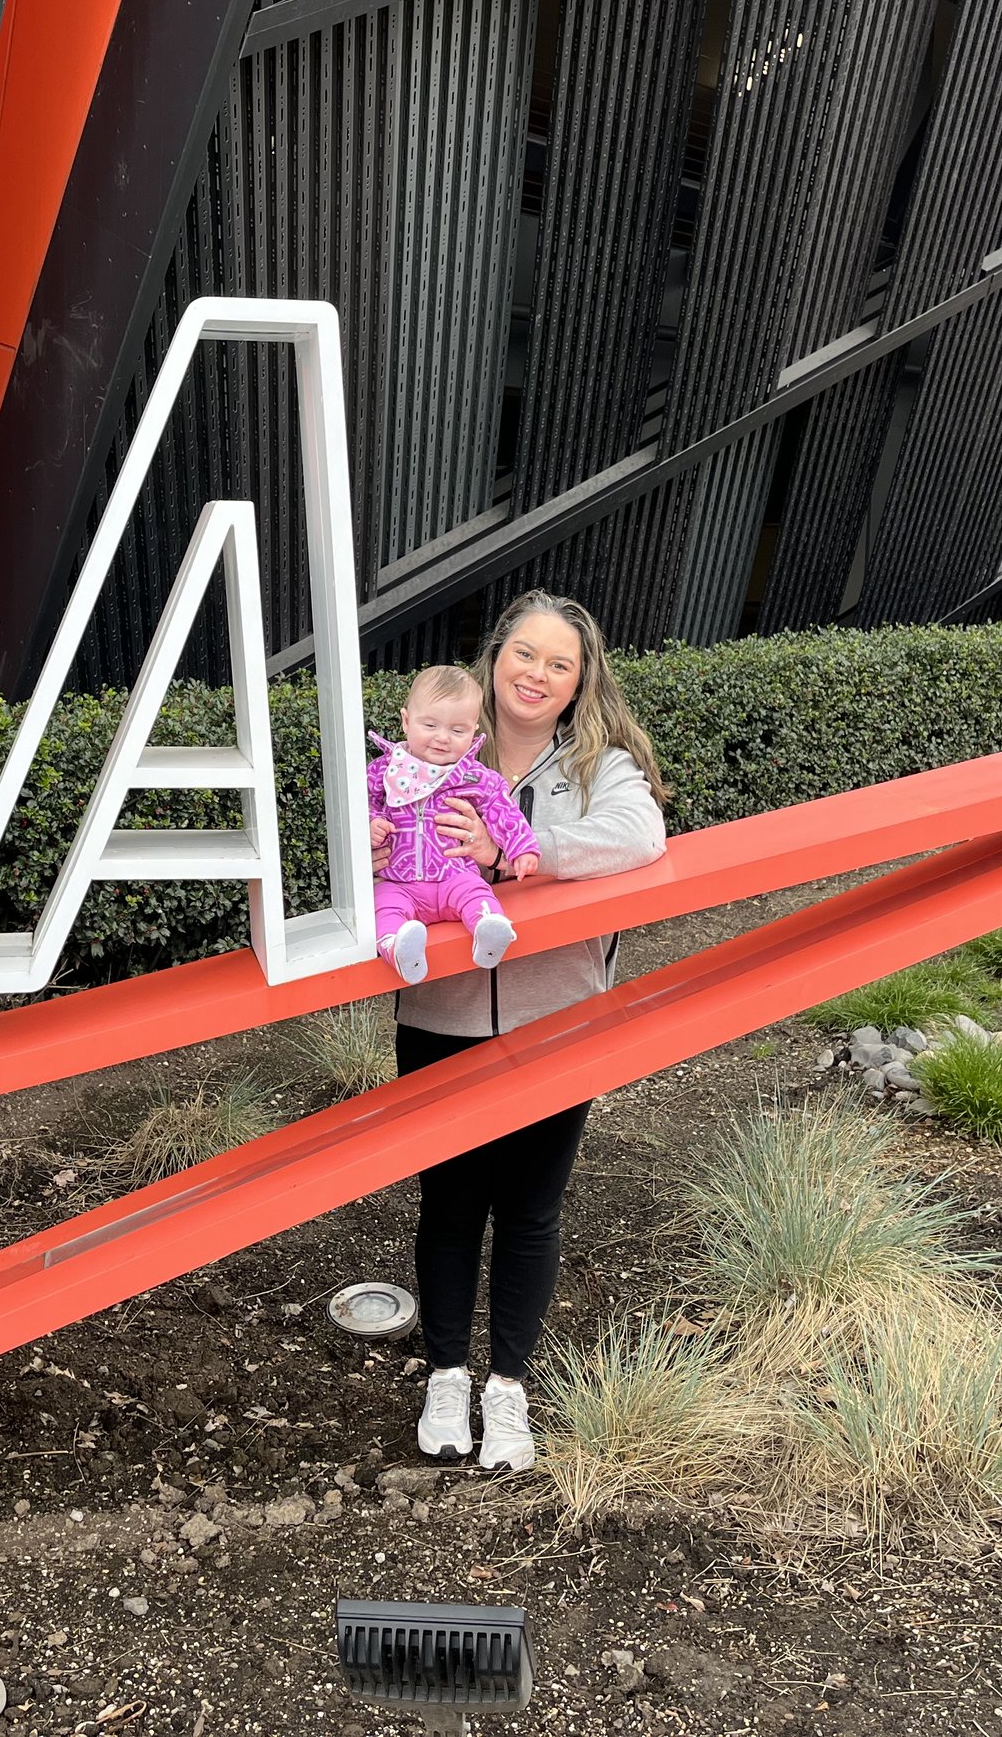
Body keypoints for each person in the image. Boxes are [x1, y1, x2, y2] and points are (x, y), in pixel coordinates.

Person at [388, 591, 668, 1472]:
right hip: (441, 1013)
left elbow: (640, 834)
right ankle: (445, 1372)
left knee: (531, 1212)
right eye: (525, 653)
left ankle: (507, 1387)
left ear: (581, 681)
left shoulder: (598, 764)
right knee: (449, 1205)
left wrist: (517, 845)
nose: (537, 674)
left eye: (560, 663)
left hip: (558, 1017)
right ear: (494, 656)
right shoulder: (429, 748)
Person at [367, 664, 542, 984]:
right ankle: (399, 948)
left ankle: (489, 931)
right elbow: (361, 804)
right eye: (430, 724)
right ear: (406, 721)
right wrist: (371, 824)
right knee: (383, 906)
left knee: (478, 893)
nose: (442, 738)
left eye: (458, 730)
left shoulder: (473, 776)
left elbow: (500, 806)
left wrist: (521, 846)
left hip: (455, 875)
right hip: (400, 883)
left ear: (473, 731)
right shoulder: (383, 771)